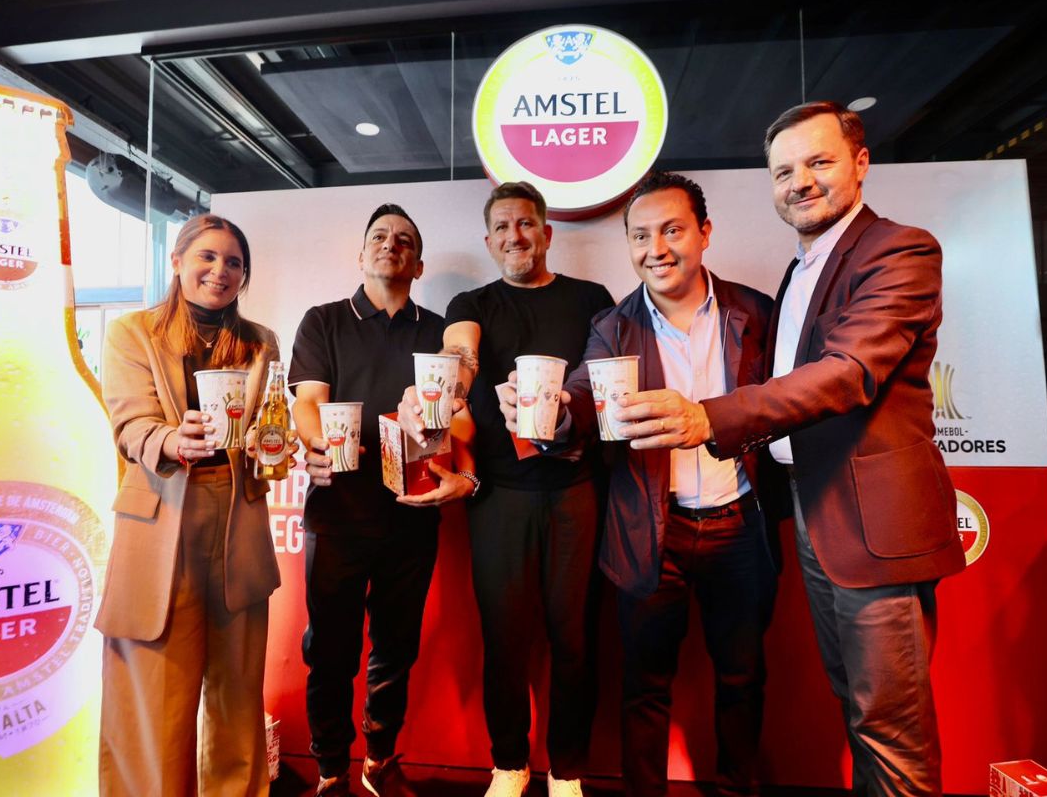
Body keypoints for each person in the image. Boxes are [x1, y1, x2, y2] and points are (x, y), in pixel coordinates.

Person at [616, 104, 966, 795]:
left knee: (891, 727)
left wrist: (704, 418)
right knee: (858, 709)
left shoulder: (900, 249)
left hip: (875, 527)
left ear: (860, 163)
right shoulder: (801, 269)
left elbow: (846, 373)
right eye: (783, 171)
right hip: (815, 515)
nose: (799, 181)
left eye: (818, 161)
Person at [499, 171, 783, 797]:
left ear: (704, 233)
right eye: (640, 236)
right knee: (645, 686)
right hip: (651, 531)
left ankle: (739, 789)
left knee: (743, 677)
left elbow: (787, 410)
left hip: (740, 524)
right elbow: (580, 394)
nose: (656, 248)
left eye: (672, 230)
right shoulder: (614, 326)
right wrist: (541, 413)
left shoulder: (756, 313)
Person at [400, 182, 614, 797]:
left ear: (545, 233)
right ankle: (510, 763)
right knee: (505, 635)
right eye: (501, 227)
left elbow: (606, 379)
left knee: (574, 636)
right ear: (490, 240)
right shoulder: (473, 301)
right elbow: (459, 351)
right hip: (499, 494)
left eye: (526, 224)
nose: (515, 236)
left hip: (576, 487)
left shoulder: (591, 299)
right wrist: (451, 387)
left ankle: (568, 767)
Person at [97, 214, 292, 796]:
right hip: (160, 521)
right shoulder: (132, 332)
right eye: (207, 256)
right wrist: (168, 440)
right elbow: (129, 423)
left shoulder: (260, 342)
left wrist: (273, 445)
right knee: (155, 698)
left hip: (237, 523)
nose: (220, 270)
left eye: (234, 262)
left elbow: (270, 430)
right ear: (177, 260)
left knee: (237, 694)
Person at [289, 204, 477, 797]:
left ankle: (379, 762)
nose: (389, 245)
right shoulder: (323, 321)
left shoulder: (436, 331)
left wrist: (458, 455)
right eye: (378, 236)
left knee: (395, 648)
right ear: (361, 253)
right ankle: (328, 769)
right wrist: (320, 445)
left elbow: (462, 414)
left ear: (417, 265)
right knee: (331, 650)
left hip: (411, 512)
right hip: (337, 512)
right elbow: (306, 403)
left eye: (403, 240)